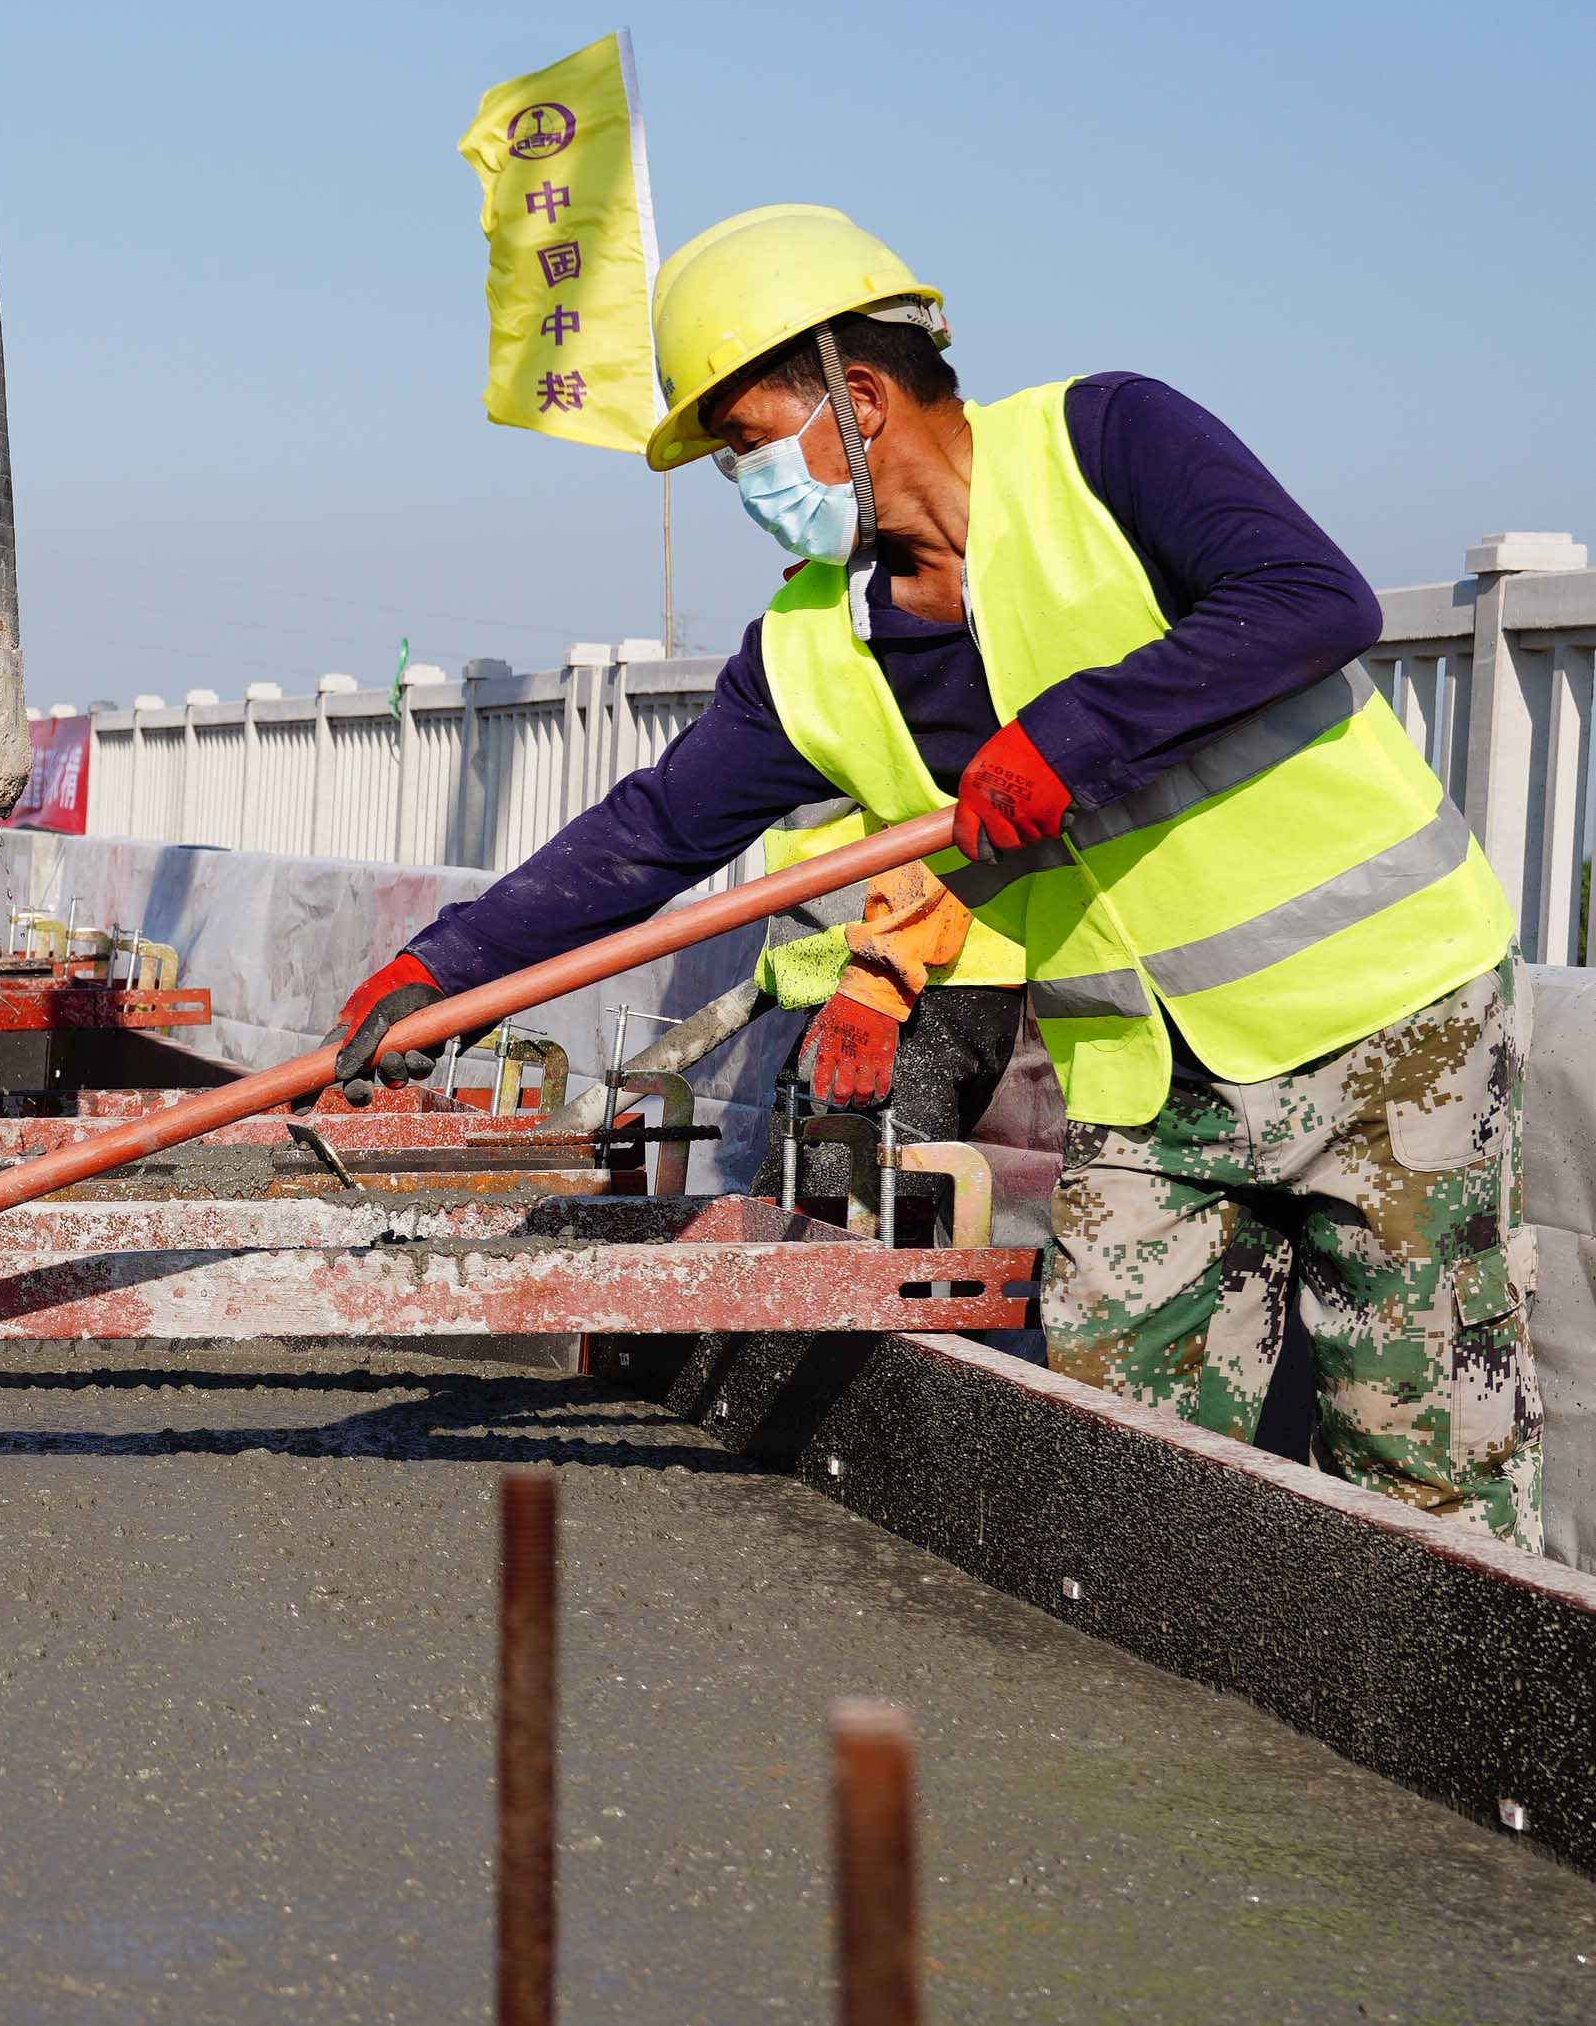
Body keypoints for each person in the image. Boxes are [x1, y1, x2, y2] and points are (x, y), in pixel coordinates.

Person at [323, 204, 1536, 1545]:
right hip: (1148, 1078)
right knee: (1106, 1462)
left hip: (1389, 1021)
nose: (745, 487)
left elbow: (1310, 600)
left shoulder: (1105, 442)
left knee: (1427, 1465)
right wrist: (449, 969)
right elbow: (652, 830)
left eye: (742, 444)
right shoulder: (808, 643)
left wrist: (1073, 734)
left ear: (851, 399)